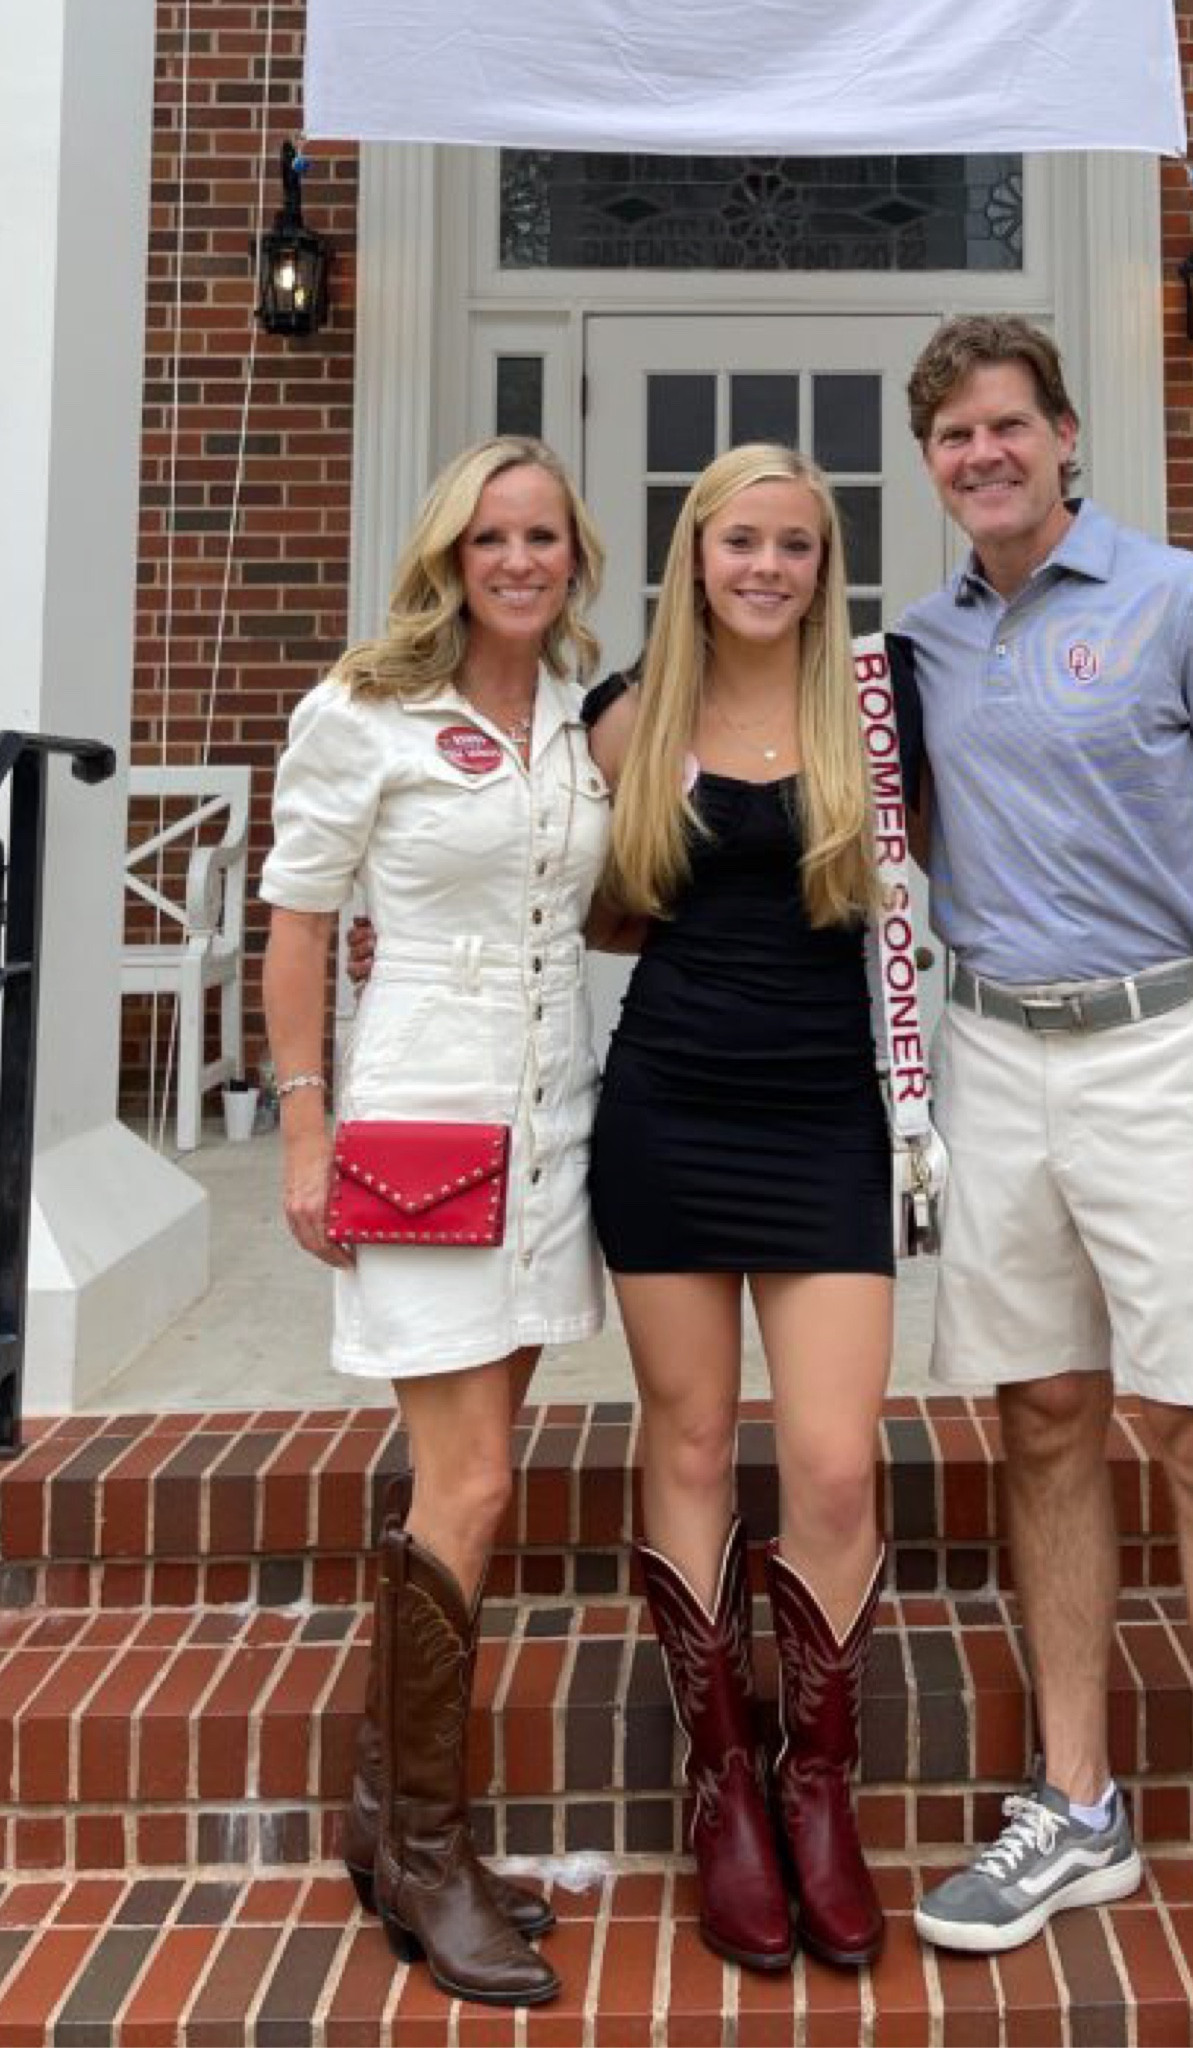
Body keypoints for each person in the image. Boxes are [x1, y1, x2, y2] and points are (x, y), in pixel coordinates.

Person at [898, 316, 1193, 2048]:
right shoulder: (922, 645)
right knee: (1037, 1418)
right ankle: (1080, 1808)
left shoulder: (1185, 600)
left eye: (1007, 424)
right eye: (952, 434)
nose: (983, 454)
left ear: (1066, 436)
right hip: (991, 1059)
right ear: (931, 461)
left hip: (1163, 1047)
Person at [260, 435, 613, 2010]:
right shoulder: (364, 713)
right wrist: (304, 1120)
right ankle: (421, 1848)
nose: (520, 561)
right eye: (493, 539)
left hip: (554, 1128)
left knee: (465, 1483)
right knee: (466, 1481)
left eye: (544, 536)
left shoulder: (582, 718)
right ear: (448, 557)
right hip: (419, 1123)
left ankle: (383, 1823)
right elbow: (301, 919)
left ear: (574, 555)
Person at [583, 442, 893, 1973]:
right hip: (670, 1114)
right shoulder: (627, 720)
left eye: (794, 543)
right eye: (738, 540)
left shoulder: (877, 720)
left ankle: (817, 1784)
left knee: (834, 1462)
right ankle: (725, 1792)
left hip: (833, 1119)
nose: (766, 565)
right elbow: (560, 891)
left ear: (823, 567)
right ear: (695, 555)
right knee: (693, 1437)